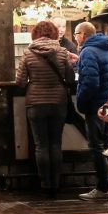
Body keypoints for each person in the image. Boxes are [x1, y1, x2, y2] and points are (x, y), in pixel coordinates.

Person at [15, 21, 74, 198]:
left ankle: (44, 183)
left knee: (41, 145)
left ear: (35, 34)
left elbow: (19, 82)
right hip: (58, 102)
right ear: (55, 34)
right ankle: (56, 183)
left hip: (35, 103)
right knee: (55, 144)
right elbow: (70, 78)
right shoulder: (63, 52)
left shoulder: (28, 53)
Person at [74, 21, 108, 202]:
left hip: (95, 106)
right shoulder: (105, 47)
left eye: (76, 34)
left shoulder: (88, 51)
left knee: (97, 147)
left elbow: (90, 82)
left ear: (83, 34)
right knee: (106, 146)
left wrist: (81, 104)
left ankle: (102, 187)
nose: (75, 38)